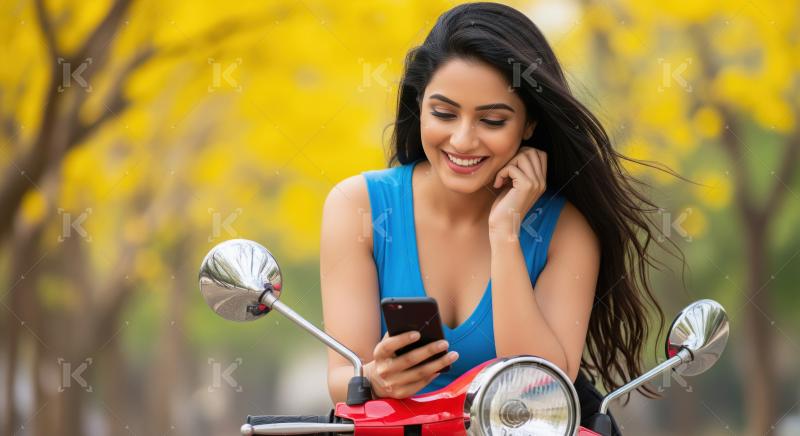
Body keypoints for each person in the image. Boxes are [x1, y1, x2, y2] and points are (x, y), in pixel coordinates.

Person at [320, 2, 681, 431]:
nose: (462, 139)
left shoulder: (567, 230)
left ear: (528, 125)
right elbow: (341, 378)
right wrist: (374, 378)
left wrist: (505, 231)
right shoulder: (354, 206)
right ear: (419, 106)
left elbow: (544, 382)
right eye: (443, 113)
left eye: (492, 120)